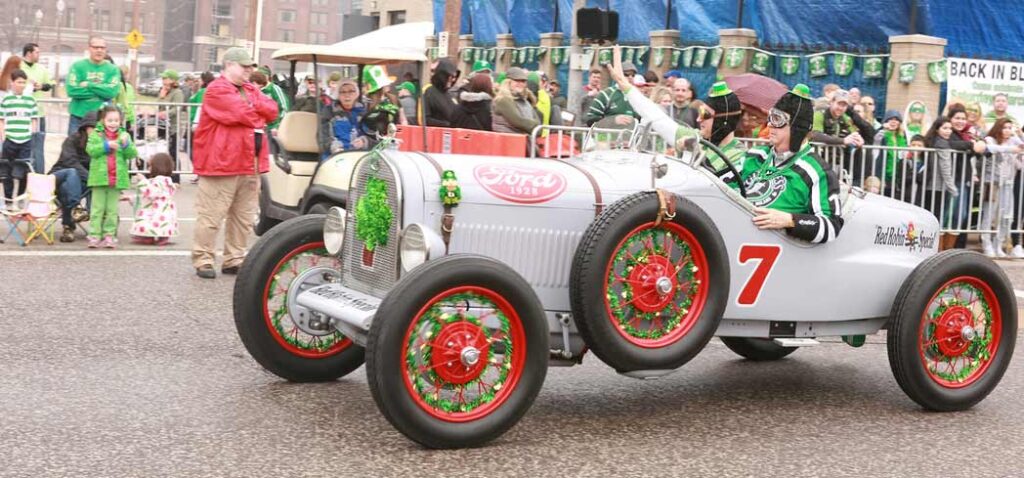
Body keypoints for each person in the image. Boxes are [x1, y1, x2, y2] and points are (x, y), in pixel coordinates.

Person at [191, 47, 278, 278]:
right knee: (211, 215)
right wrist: (258, 112)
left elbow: (273, 110)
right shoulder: (216, 90)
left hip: (250, 162)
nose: (249, 70)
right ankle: (203, 258)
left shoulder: (249, 88)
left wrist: (256, 110)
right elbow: (243, 114)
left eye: (251, 66)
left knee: (243, 217)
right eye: (245, 66)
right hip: (222, 163)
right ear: (229, 65)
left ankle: (234, 258)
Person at [606, 47, 745, 172]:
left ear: (724, 119)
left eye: (705, 114)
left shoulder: (739, 156)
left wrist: (693, 152)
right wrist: (625, 86)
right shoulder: (696, 137)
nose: (698, 119)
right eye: (700, 112)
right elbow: (657, 117)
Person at [741, 84, 844, 243]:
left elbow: (832, 225)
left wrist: (791, 220)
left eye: (778, 119)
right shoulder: (755, 155)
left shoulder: (816, 171)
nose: (769, 125)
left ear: (797, 127)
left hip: (775, 248)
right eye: (770, 117)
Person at [84, 105, 136, 248]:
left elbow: (132, 154)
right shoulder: (96, 134)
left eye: (116, 120)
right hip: (99, 178)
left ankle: (109, 235)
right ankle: (94, 234)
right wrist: (106, 146)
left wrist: (126, 145)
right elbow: (91, 150)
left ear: (121, 121)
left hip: (116, 178)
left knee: (112, 210)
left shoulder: (124, 135)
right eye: (110, 120)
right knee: (97, 209)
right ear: (103, 120)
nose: (113, 123)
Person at [980, 118, 1024, 257]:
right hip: (992, 182)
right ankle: (986, 244)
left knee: (1007, 216)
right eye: (1005, 127)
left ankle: (997, 244)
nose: (1008, 130)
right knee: (989, 214)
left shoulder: (1013, 141)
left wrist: (1017, 139)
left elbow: (1019, 164)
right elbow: (991, 149)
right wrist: (1011, 149)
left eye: (1010, 127)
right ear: (998, 128)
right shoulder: (990, 139)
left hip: (1008, 183)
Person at [49, 111, 95, 242]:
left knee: (68, 189)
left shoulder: (98, 145)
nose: (96, 131)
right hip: (58, 176)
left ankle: (68, 227)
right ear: (85, 127)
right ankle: (76, 207)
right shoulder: (73, 139)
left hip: (76, 183)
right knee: (72, 172)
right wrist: (90, 177)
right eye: (93, 128)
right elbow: (70, 162)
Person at [66, 37, 121, 135]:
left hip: (102, 118)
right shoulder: (77, 66)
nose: (99, 50)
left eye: (102, 48)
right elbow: (72, 90)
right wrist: (102, 91)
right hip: (78, 116)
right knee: (74, 148)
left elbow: (111, 92)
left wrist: (89, 85)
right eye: (96, 47)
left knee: (101, 149)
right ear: (89, 49)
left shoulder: (113, 69)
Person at [0, 69, 39, 199]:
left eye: (24, 82)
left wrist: (32, 134)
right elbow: (2, 119)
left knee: (23, 169)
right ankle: (9, 198)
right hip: (10, 139)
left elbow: (34, 119)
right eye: (19, 82)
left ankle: (20, 197)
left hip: (25, 140)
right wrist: (3, 135)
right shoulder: (6, 100)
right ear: (12, 83)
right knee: (7, 170)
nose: (21, 85)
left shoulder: (30, 100)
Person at [128, 152, 178, 246]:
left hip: (156, 208)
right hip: (165, 209)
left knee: (148, 219)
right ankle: (162, 236)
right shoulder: (167, 181)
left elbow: (150, 193)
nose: (148, 169)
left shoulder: (158, 180)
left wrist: (143, 181)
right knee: (162, 222)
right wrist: (131, 198)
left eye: (150, 166)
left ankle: (148, 236)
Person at [21, 44, 54, 175]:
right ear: (29, 53)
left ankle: (38, 176)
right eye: (37, 52)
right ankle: (22, 175)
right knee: (23, 146)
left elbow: (50, 84)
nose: (39, 55)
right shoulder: (18, 66)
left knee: (38, 147)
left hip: (38, 113)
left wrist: (41, 86)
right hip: (21, 114)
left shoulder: (41, 69)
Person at [585, 61, 637, 127]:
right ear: (617, 76)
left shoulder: (637, 96)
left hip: (630, 136)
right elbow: (590, 120)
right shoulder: (605, 95)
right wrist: (613, 121)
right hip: (606, 136)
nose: (630, 77)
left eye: (633, 75)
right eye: (626, 74)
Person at [872, 110, 909, 199]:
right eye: (890, 119)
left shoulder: (902, 136)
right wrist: (882, 128)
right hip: (883, 173)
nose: (893, 122)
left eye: (896, 120)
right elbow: (874, 139)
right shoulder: (882, 133)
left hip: (897, 174)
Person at [492, 68, 540, 135]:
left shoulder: (525, 101)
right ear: (508, 82)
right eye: (517, 81)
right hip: (507, 140)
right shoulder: (502, 100)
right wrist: (535, 126)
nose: (520, 84)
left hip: (523, 140)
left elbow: (539, 124)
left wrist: (537, 126)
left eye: (523, 81)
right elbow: (518, 121)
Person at [251, 69, 289, 154]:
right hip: (259, 129)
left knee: (270, 154)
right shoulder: (254, 91)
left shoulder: (274, 89)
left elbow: (285, 108)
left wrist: (278, 126)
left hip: (272, 128)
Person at [329, 79, 368, 154]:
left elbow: (370, 134)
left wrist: (364, 141)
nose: (347, 95)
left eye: (351, 91)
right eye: (343, 92)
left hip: (359, 152)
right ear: (338, 95)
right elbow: (324, 136)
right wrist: (334, 147)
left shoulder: (363, 112)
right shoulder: (329, 111)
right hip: (335, 153)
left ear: (356, 94)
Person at [157, 70, 185, 168]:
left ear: (173, 80)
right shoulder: (163, 91)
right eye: (163, 78)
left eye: (166, 78)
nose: (163, 80)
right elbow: (159, 106)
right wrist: (162, 96)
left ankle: (176, 177)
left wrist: (165, 113)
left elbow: (177, 108)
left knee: (173, 152)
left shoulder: (178, 93)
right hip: (163, 126)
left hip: (173, 127)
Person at [421, 58, 459, 127]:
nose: (453, 79)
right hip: (434, 135)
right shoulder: (428, 91)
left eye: (454, 77)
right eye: (450, 76)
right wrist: (447, 125)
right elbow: (423, 119)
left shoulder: (450, 94)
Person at [114, 65, 136, 135]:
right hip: (126, 118)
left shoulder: (115, 86)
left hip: (117, 117)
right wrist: (133, 121)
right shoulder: (128, 87)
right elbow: (130, 106)